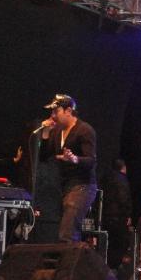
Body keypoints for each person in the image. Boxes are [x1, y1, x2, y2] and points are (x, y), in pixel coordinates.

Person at [40, 94, 97, 242]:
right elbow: (43, 156)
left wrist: (75, 159)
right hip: (65, 186)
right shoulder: (57, 131)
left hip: (83, 186)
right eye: (52, 112)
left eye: (56, 111)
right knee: (60, 229)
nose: (53, 116)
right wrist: (45, 133)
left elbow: (91, 160)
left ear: (68, 111)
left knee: (68, 232)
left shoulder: (84, 130)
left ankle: (69, 257)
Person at [101, 158, 133, 269]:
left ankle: (106, 267)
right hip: (118, 216)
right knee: (119, 243)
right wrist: (127, 213)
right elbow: (123, 197)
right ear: (123, 167)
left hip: (105, 215)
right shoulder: (122, 179)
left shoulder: (105, 178)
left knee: (108, 243)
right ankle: (114, 267)